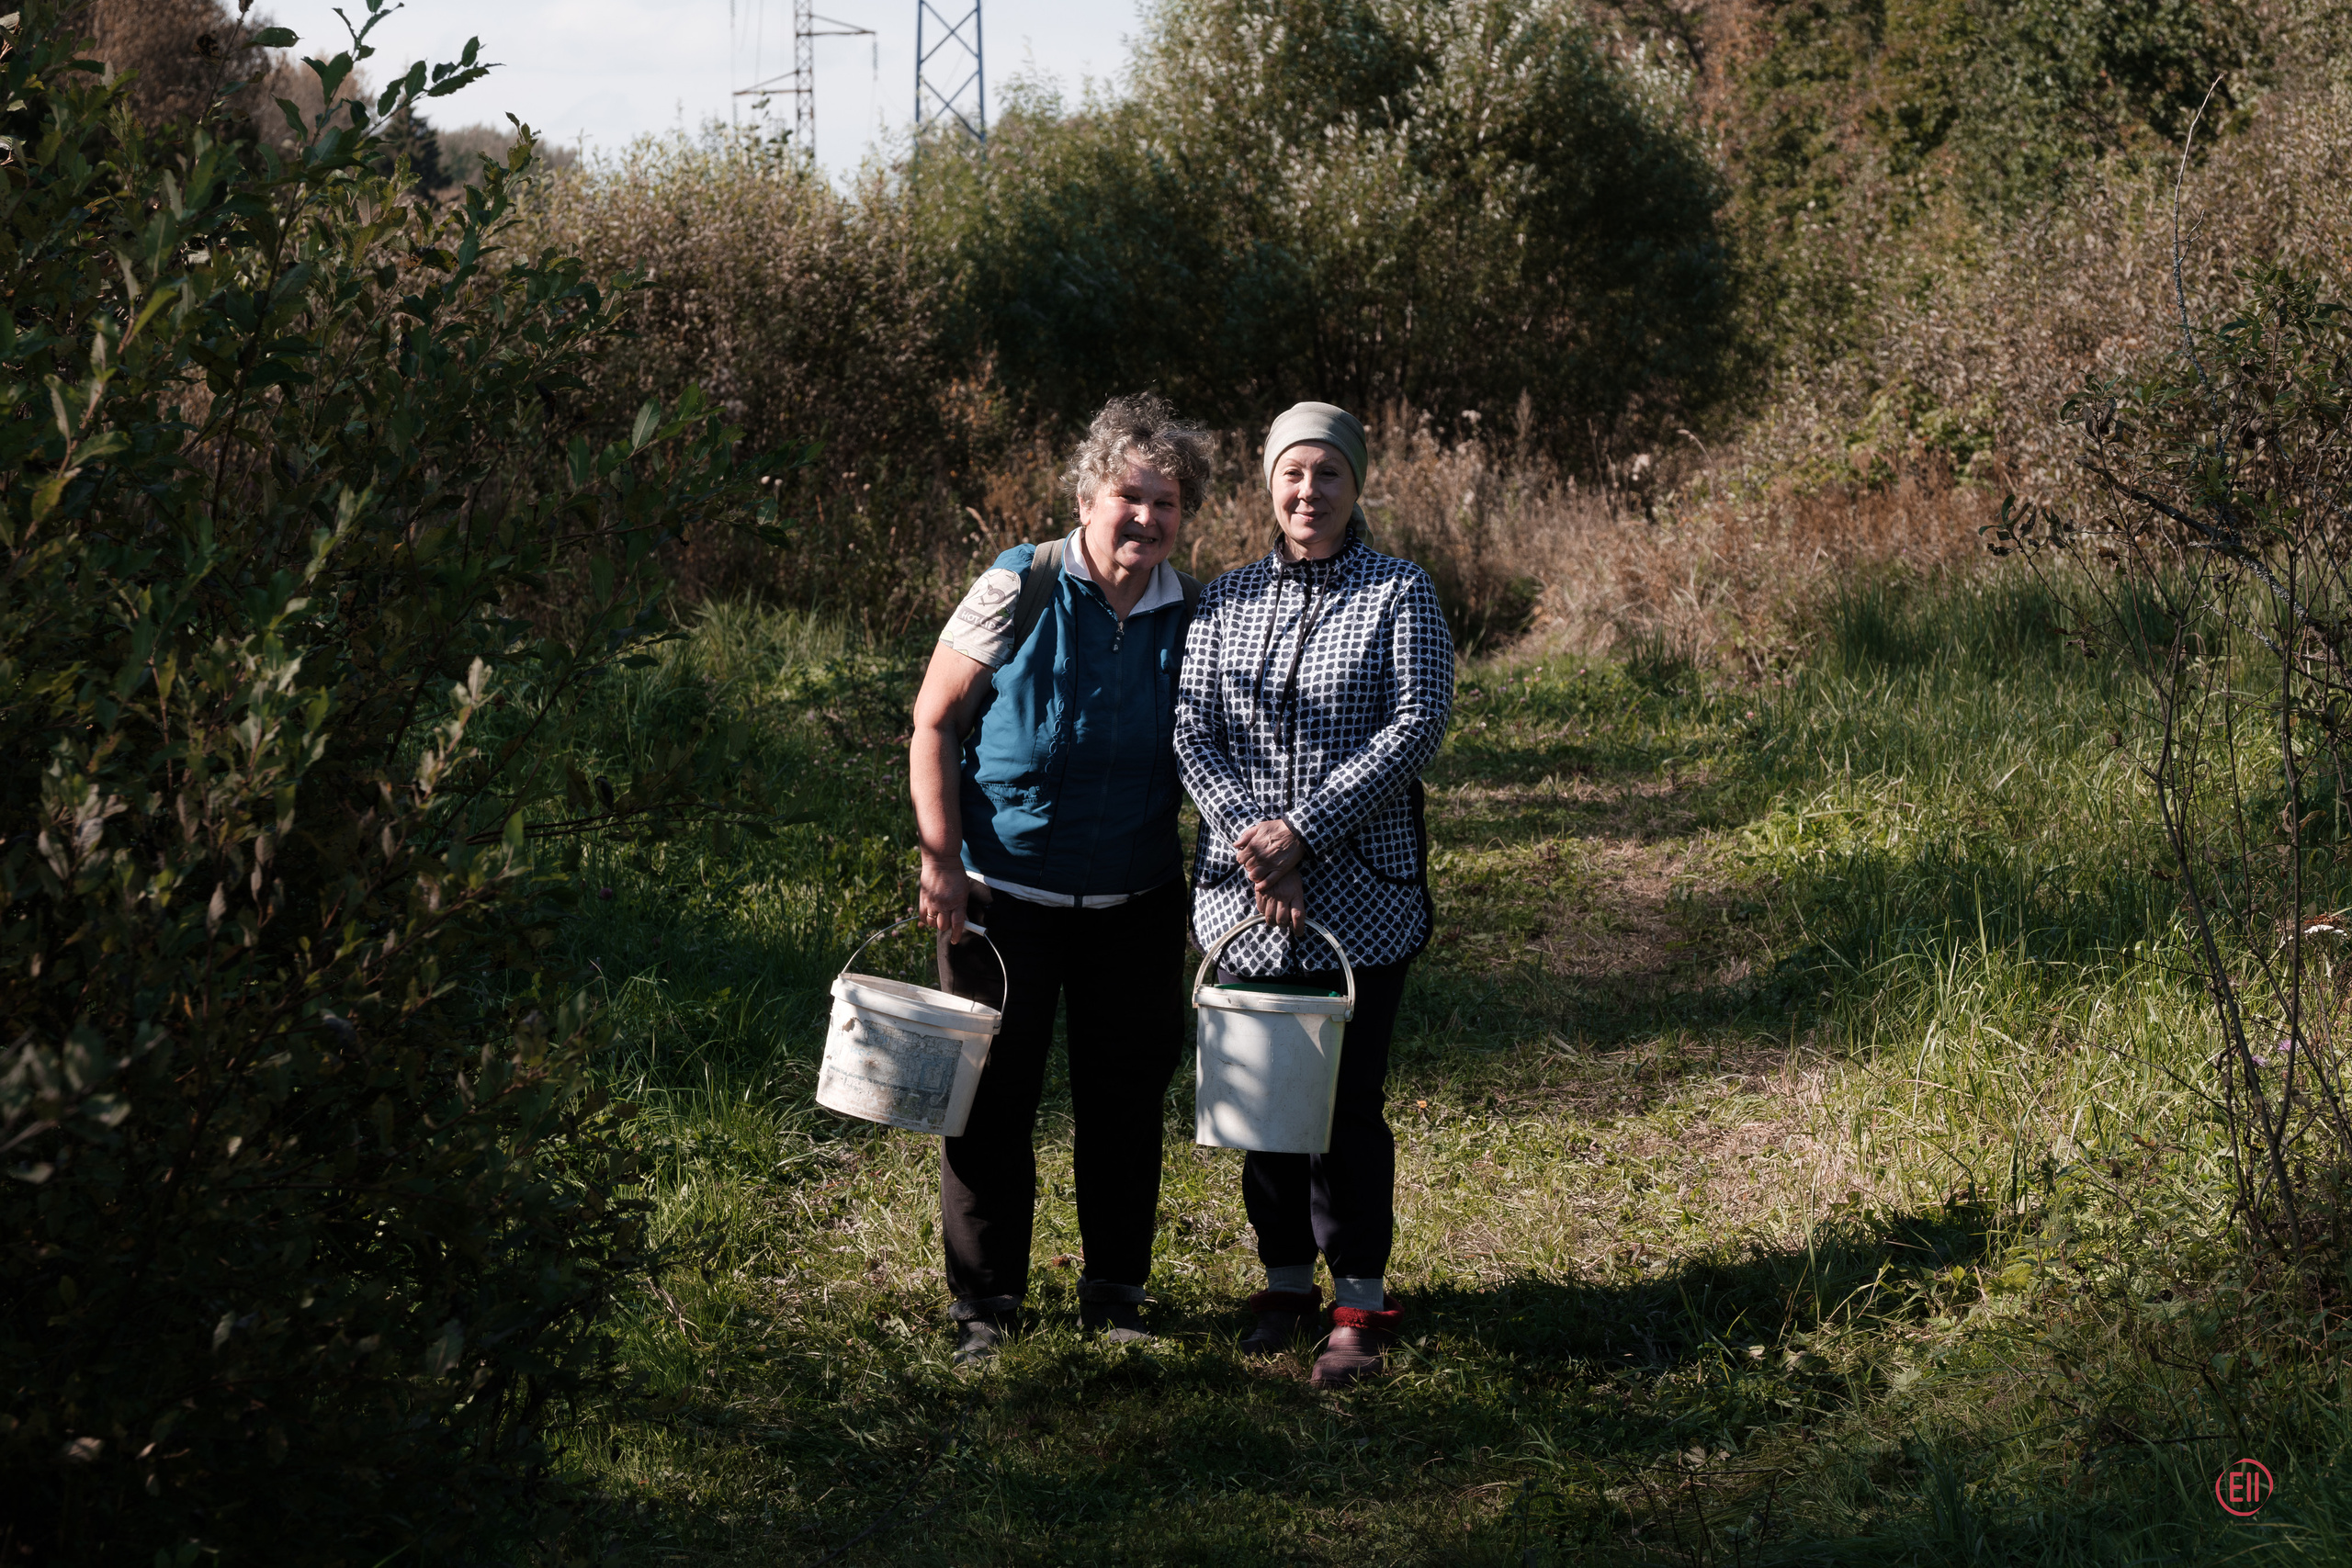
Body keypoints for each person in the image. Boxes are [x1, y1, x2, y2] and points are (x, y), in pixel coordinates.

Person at [909, 394, 1212, 1366]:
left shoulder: (1193, 612)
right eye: (1131, 495)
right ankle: (983, 1311)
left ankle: (1116, 1300)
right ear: (1088, 495)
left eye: (1167, 504)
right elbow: (933, 722)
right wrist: (940, 860)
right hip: (1003, 900)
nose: (1146, 520)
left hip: (1135, 903)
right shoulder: (1019, 582)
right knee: (990, 1106)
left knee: (1123, 1106)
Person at [1173, 401, 1455, 1387]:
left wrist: (1304, 832)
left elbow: (1415, 725)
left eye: (1327, 473)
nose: (1309, 492)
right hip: (1243, 901)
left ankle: (1360, 1296)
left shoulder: (1399, 592)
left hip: (1361, 903)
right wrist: (1259, 846)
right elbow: (1191, 732)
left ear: (1355, 484)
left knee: (1345, 1104)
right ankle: (1285, 1281)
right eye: (1292, 473)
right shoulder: (1224, 597)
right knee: (1262, 1100)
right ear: (1269, 483)